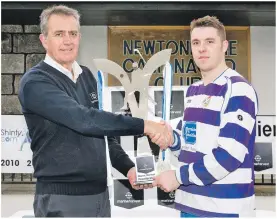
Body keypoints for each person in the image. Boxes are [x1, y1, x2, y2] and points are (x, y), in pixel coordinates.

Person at [18, 5, 173, 217]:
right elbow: (84, 120)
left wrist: (128, 168)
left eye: (73, 33)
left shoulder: (86, 76)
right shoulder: (35, 82)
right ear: (44, 40)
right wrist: (145, 125)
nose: (67, 40)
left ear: (79, 37)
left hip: (100, 196)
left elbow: (102, 132)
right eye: (59, 34)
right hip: (62, 200)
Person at [152, 16, 258, 217]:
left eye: (210, 42)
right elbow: (190, 144)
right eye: (196, 43)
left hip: (223, 211)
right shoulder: (193, 90)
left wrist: (177, 176)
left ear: (224, 46)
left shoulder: (237, 89)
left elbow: (229, 155)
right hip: (189, 205)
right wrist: (172, 140)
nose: (202, 48)